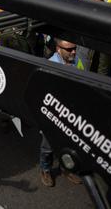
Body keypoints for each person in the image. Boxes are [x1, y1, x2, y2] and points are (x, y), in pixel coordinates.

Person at [40, 38, 83, 187]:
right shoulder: (51, 65)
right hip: (53, 114)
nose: (73, 51)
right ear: (59, 49)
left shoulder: (76, 61)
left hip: (70, 114)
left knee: (68, 146)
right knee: (48, 147)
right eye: (69, 49)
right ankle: (45, 170)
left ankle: (66, 169)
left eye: (74, 48)